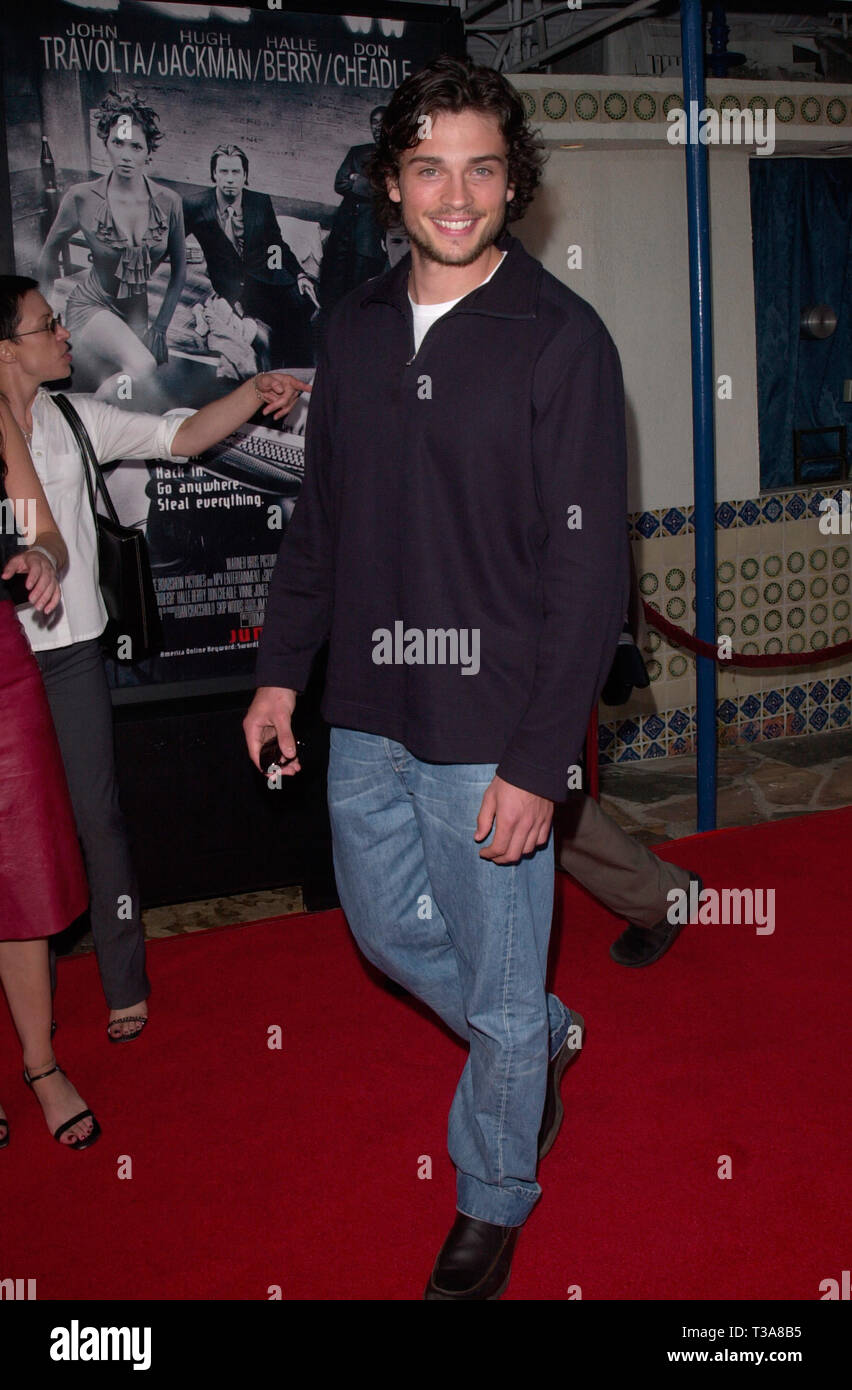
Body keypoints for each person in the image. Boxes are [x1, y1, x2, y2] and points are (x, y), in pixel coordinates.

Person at [244, 57, 629, 1300]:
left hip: (491, 727)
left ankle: (493, 1190)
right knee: (388, 933)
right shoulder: (352, 327)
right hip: (369, 707)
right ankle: (540, 1038)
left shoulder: (560, 341)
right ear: (390, 183)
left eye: (480, 167)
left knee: (504, 990)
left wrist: (540, 757)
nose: (454, 195)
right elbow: (323, 522)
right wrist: (275, 678)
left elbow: (587, 579)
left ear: (512, 181)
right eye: (428, 167)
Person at [0, 274, 308, 1044]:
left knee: (97, 819)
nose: (64, 334)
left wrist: (250, 391)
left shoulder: (75, 419)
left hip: (69, 654)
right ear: (7, 350)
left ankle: (123, 982)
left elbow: (179, 434)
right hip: (6, 663)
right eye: (46, 327)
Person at [0, 397, 99, 1150]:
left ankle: (41, 1065)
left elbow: (47, 538)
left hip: (5, 671)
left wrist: (40, 557)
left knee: (23, 873)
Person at [37, 89, 186, 399]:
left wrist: (160, 327)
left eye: (135, 146)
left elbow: (180, 273)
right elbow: (49, 252)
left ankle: (86, 414)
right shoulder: (80, 197)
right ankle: (82, 421)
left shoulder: (170, 202)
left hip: (137, 313)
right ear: (106, 143)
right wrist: (46, 315)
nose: (126, 155)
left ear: (148, 152)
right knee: (142, 366)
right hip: (90, 305)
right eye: (118, 143)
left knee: (137, 395)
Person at [183, 144, 317, 368]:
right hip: (232, 285)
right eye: (223, 172)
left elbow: (276, 244)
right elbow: (171, 242)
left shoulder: (260, 202)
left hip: (267, 276)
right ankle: (272, 373)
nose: (229, 179)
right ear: (214, 174)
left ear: (245, 175)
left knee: (300, 305)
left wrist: (300, 274)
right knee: (267, 327)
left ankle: (300, 375)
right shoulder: (194, 205)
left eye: (236, 172)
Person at [317, 106, 389, 314]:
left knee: (359, 289)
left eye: (382, 122)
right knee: (333, 286)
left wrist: (357, 180)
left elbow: (392, 191)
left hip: (369, 235)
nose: (378, 128)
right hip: (342, 229)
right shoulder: (357, 152)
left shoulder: (398, 157)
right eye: (373, 123)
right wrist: (373, 184)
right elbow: (340, 184)